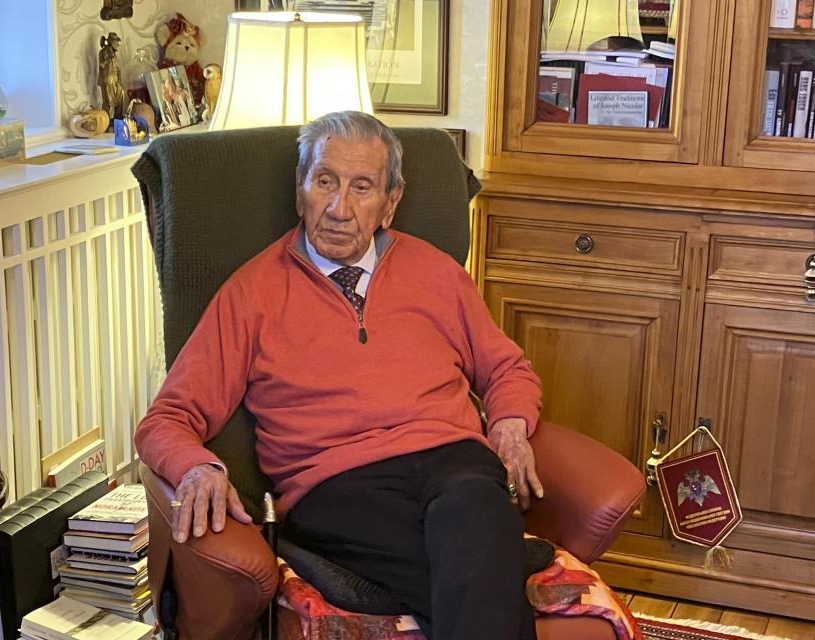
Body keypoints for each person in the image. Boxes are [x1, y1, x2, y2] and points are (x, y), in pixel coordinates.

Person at [135, 111, 544, 640]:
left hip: (454, 460)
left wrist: (510, 424)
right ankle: (503, 554)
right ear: (300, 186)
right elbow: (167, 417)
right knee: (479, 560)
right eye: (324, 181)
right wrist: (197, 468)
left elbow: (507, 367)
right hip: (337, 484)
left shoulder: (437, 272)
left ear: (390, 202)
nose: (338, 208)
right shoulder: (250, 294)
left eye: (362, 187)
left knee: (472, 507)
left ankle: (492, 549)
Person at [98, 32, 126, 121]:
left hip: (115, 81)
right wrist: (108, 58)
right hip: (107, 81)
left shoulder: (115, 55)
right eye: (116, 42)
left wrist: (120, 80)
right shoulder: (103, 52)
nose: (118, 44)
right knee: (107, 102)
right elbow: (101, 65)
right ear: (111, 42)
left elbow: (117, 68)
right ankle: (105, 121)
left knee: (121, 95)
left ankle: (118, 119)